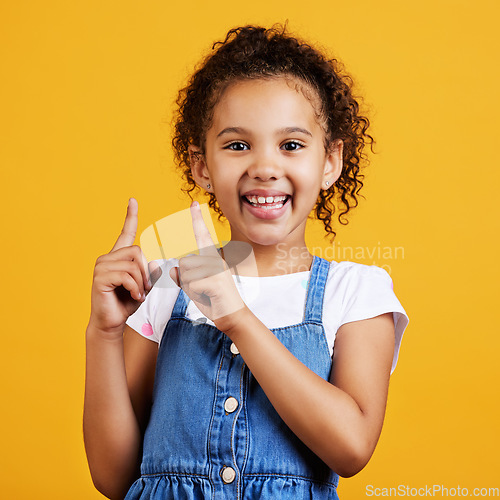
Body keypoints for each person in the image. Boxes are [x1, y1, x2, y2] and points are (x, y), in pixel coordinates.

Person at [83, 24, 409, 499]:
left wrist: (237, 319)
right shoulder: (164, 288)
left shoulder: (355, 291)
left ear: (330, 162)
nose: (263, 166)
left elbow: (352, 446)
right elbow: (114, 478)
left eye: (291, 145)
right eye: (237, 145)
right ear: (202, 166)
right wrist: (104, 333)